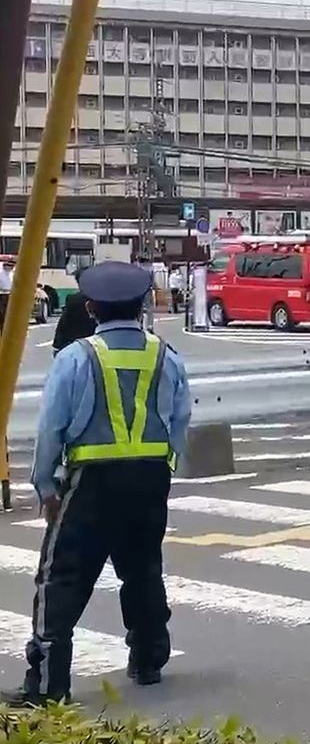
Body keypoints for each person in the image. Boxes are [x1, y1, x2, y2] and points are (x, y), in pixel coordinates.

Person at [7, 262, 190, 705]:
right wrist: (166, 466)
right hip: (149, 478)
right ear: (143, 306)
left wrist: (46, 487)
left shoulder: (77, 356)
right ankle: (148, 659)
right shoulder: (166, 355)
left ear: (91, 308)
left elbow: (51, 427)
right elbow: (181, 418)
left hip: (92, 480)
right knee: (142, 568)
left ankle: (49, 682)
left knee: (62, 576)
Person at [52, 290, 97, 355]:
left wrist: (58, 345)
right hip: (100, 347)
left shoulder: (74, 299)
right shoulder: (109, 297)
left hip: (74, 346)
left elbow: (64, 324)